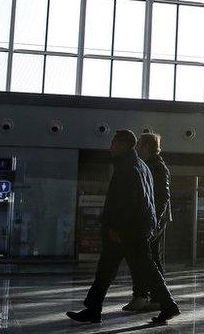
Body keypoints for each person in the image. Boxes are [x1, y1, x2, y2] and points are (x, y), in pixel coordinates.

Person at [67, 130, 179, 324]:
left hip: (127, 231)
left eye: (113, 142)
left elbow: (128, 201)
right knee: (115, 268)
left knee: (130, 268)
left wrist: (116, 227)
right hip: (136, 228)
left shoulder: (128, 166)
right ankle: (93, 309)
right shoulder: (140, 165)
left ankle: (168, 305)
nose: (110, 146)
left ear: (123, 145)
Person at [124, 133, 173, 312]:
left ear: (146, 147)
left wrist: (154, 222)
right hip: (150, 219)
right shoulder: (150, 165)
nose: (136, 149)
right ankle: (153, 297)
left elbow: (162, 197)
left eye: (139, 146)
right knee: (149, 257)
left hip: (151, 221)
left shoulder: (156, 167)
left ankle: (147, 296)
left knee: (146, 258)